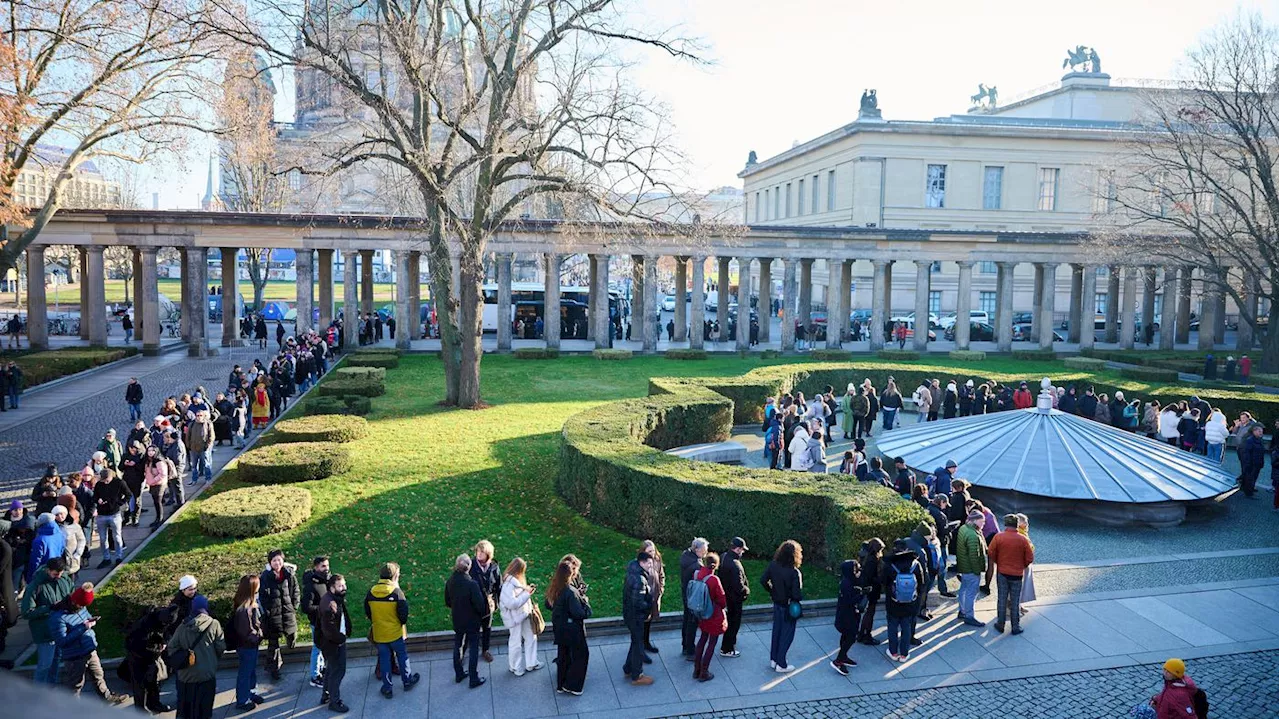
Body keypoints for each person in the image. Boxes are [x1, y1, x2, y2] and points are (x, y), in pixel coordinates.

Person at [49, 582, 128, 703]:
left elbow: (85, 616)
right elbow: (62, 641)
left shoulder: (81, 607)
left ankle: (106, 697)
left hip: (89, 649)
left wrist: (90, 620)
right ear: (74, 601)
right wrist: (84, 627)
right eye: (81, 605)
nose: (82, 607)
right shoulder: (58, 618)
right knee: (75, 685)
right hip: (74, 656)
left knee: (99, 675)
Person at [364, 561, 421, 697]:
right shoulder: (397, 593)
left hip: (380, 634)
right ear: (394, 576)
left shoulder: (371, 592)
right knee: (402, 656)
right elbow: (403, 616)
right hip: (395, 634)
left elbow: (368, 612)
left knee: (384, 659)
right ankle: (407, 681)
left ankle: (387, 687)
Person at [168, 594, 226, 719]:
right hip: (207, 675)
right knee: (205, 711)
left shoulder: (183, 627)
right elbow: (220, 647)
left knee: (186, 711)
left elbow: (172, 647)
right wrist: (211, 659)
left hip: (186, 677)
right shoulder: (214, 624)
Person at [21, 557, 72, 684]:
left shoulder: (64, 579)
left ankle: (50, 689)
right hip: (44, 632)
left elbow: (71, 594)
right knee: (45, 665)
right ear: (48, 570)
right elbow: (26, 612)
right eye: (55, 574)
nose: (58, 576)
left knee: (55, 662)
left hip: (60, 630)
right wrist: (49, 608)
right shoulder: (35, 586)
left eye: (61, 573)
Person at [445, 553, 487, 688]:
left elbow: (447, 601)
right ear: (468, 567)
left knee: (458, 644)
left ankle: (459, 674)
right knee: (473, 647)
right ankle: (473, 678)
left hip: (457, 619)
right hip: (472, 621)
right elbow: (480, 605)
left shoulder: (450, 581)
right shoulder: (472, 584)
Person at [760, 539, 803, 673]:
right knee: (787, 634)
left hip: (777, 603)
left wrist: (772, 590)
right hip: (788, 606)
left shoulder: (773, 565)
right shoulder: (794, 572)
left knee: (777, 632)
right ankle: (781, 663)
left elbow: (763, 580)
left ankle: (774, 659)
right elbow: (796, 594)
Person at [988, 514, 1035, 634]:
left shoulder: (999, 537)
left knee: (1002, 599)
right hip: (1017, 575)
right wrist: (1021, 566)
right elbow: (1030, 558)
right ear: (1016, 525)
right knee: (1015, 601)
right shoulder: (1023, 539)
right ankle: (1015, 626)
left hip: (1002, 573)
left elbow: (991, 553)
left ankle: (1000, 624)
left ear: (1005, 524)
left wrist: (999, 562)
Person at [259, 548, 300, 680]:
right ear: (270, 562)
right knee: (273, 644)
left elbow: (296, 591)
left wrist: (294, 606)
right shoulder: (265, 577)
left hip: (288, 611)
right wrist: (268, 612)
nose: (277, 563)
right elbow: (262, 597)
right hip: (273, 616)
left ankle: (290, 644)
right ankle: (274, 669)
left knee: (292, 634)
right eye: (274, 560)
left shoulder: (289, 575)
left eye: (279, 560)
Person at [881, 538, 925, 662]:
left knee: (892, 626)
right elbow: (922, 583)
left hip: (893, 602)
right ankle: (904, 654)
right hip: (910, 602)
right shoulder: (915, 564)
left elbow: (883, 581)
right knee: (906, 627)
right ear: (906, 549)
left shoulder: (890, 565)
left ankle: (893, 652)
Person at [499, 557, 541, 676]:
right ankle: (515, 667)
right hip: (515, 618)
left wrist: (526, 592)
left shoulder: (515, 581)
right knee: (516, 642)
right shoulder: (509, 585)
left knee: (531, 637)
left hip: (522, 615)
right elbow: (511, 603)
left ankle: (531, 663)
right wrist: (527, 594)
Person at [316, 574, 351, 713]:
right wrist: (341, 639)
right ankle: (334, 701)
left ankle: (326, 694)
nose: (344, 588)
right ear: (332, 588)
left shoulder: (333, 599)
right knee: (338, 671)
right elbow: (329, 630)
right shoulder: (330, 605)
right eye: (340, 586)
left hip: (331, 643)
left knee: (331, 669)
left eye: (344, 584)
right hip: (334, 644)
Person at [230, 574, 265, 712]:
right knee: (245, 672)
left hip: (251, 645)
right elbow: (246, 632)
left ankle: (251, 693)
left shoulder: (251, 604)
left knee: (251, 671)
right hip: (247, 646)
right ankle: (242, 700)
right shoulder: (244, 609)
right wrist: (259, 636)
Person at [621, 549, 655, 685]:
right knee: (638, 645)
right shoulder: (640, 580)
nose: (650, 566)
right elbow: (638, 602)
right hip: (636, 617)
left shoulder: (632, 570)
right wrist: (648, 606)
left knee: (635, 642)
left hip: (629, 615)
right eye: (649, 564)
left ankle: (628, 668)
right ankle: (637, 675)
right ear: (642, 562)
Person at [691, 552, 727, 682]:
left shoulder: (697, 574)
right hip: (713, 614)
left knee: (702, 639)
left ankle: (696, 669)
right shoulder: (714, 579)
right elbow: (722, 600)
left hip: (701, 613)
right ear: (716, 566)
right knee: (712, 643)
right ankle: (704, 672)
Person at [715, 536, 749, 658]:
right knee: (734, 624)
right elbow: (739, 586)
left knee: (729, 622)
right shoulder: (735, 565)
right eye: (742, 549)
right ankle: (727, 648)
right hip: (734, 600)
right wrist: (746, 591)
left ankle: (728, 645)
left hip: (726, 597)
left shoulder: (723, 557)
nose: (743, 552)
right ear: (738, 549)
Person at [301, 555, 331, 689]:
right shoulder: (311, 585)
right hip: (317, 622)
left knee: (322, 646)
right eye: (323, 566)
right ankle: (314, 675)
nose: (326, 568)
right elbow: (306, 607)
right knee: (317, 648)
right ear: (316, 567)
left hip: (325, 621)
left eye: (327, 565)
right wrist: (323, 609)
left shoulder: (325, 581)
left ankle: (321, 669)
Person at [469, 539, 501, 663]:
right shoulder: (471, 566)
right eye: (477, 551)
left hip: (488, 605)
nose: (479, 554)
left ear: (488, 554)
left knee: (487, 628)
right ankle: (470, 650)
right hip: (474, 605)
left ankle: (485, 650)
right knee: (473, 629)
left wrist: (497, 602)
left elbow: (498, 585)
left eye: (482, 552)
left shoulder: (494, 567)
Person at [830, 558, 864, 675]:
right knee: (851, 637)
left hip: (845, 615)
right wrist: (861, 594)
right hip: (848, 616)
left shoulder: (847, 581)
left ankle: (843, 656)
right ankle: (838, 660)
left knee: (846, 636)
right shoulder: (847, 584)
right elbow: (849, 600)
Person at [955, 510, 988, 626]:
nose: (984, 523)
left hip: (963, 567)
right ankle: (969, 616)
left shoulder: (964, 528)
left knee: (963, 589)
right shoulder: (973, 535)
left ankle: (962, 611)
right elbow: (974, 556)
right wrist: (977, 571)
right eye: (982, 521)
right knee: (971, 593)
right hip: (971, 569)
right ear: (975, 521)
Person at [92, 468, 130, 568]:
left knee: (117, 537)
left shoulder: (119, 483)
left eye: (107, 480)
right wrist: (98, 500)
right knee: (103, 539)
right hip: (101, 514)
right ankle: (106, 558)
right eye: (103, 480)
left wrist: (119, 503)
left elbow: (128, 495)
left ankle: (119, 556)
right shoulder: (99, 484)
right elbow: (94, 496)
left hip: (115, 514)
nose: (105, 482)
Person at [679, 537, 708, 659]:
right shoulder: (697, 565)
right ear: (696, 550)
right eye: (703, 551)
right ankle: (690, 650)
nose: (705, 553)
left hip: (686, 593)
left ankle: (685, 646)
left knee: (686, 620)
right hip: (693, 596)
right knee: (692, 622)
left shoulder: (685, 555)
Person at [639, 540, 665, 653]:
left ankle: (646, 643)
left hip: (654, 597)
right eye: (649, 551)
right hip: (645, 599)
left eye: (653, 551)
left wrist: (661, 589)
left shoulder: (657, 561)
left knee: (649, 622)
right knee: (642, 623)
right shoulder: (642, 563)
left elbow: (661, 576)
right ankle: (641, 646)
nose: (652, 553)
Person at [26, 513, 65, 586]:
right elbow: (62, 549)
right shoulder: (60, 533)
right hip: (56, 566)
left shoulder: (39, 540)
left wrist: (30, 578)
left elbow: (35, 561)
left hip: (44, 571)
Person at [1238, 423, 1266, 499]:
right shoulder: (1249, 440)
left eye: (1262, 431)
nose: (1261, 433)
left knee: (1253, 477)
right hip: (1252, 463)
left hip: (1257, 463)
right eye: (1259, 431)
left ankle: (1249, 489)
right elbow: (1246, 453)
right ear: (1254, 431)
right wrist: (1247, 463)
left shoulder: (1259, 440)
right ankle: (1248, 492)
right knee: (1250, 477)